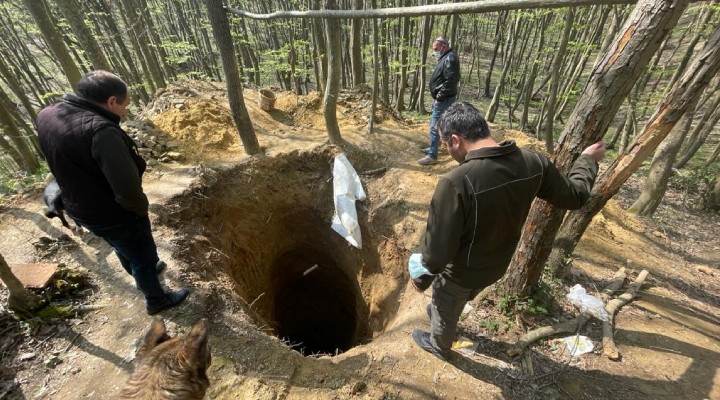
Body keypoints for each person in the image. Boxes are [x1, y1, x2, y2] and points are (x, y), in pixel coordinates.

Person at [408, 102, 606, 361]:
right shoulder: (533, 162)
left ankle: (440, 345)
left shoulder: (456, 182)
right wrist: (587, 161)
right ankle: (444, 311)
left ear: (455, 140)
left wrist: (420, 279)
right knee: (454, 300)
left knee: (448, 300)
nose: (447, 149)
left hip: (462, 272)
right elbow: (576, 196)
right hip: (497, 265)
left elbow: (436, 254)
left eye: (446, 144)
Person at [36, 70, 190, 315]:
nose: (125, 111)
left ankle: (142, 271)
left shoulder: (48, 115)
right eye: (124, 105)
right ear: (111, 101)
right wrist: (139, 211)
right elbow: (127, 189)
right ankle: (156, 299)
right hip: (113, 211)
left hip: (80, 206)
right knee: (140, 250)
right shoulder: (102, 132)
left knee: (121, 246)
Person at [418, 36, 460, 166]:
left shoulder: (450, 58)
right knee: (440, 125)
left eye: (436, 49)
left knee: (435, 126)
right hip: (444, 98)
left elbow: (451, 80)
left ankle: (432, 155)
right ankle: (433, 148)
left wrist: (440, 96)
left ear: (444, 46)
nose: (435, 51)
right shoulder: (446, 57)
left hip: (444, 99)